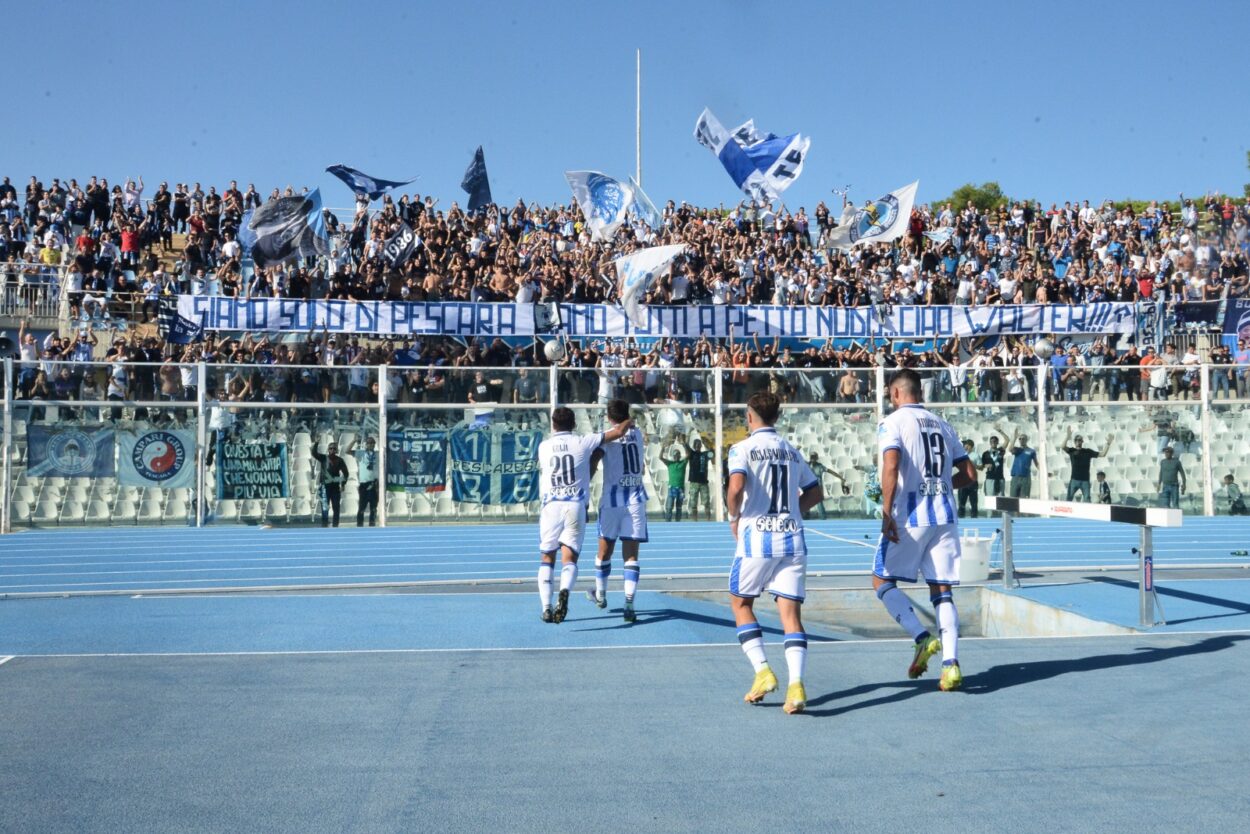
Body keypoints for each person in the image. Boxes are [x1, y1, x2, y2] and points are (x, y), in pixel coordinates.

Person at [873, 369, 977, 692]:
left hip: (911, 515)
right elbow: (970, 474)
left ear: (895, 395)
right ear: (921, 393)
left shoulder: (892, 423)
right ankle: (951, 666)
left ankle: (921, 636)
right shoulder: (943, 424)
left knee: (881, 579)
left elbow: (891, 465)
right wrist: (944, 487)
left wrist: (887, 511)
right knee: (942, 591)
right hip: (944, 516)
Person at [726, 391, 824, 714]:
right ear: (777, 417)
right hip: (793, 539)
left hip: (757, 539)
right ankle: (796, 687)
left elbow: (737, 487)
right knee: (791, 617)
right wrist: (794, 510)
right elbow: (816, 491)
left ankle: (763, 671)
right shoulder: (792, 451)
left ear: (750, 417)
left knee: (741, 603)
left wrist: (733, 517)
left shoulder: (742, 448)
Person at [536, 406, 634, 624]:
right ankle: (565, 592)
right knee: (569, 558)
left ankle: (546, 607)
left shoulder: (543, 447)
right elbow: (618, 432)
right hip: (575, 504)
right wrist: (629, 420)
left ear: (553, 424)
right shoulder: (583, 441)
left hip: (551, 505)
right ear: (573, 424)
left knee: (547, 558)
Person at [586, 399, 647, 622]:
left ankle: (601, 595)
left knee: (604, 550)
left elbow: (594, 460)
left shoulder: (608, 437)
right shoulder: (639, 434)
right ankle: (629, 603)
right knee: (631, 555)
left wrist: (585, 483)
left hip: (612, 499)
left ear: (610, 418)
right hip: (635, 498)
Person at [1061, 429, 1113, 502]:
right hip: (1074, 480)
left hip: (1085, 480)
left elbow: (1102, 454)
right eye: (1076, 440)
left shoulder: (1087, 451)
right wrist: (1068, 436)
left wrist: (1108, 444)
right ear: (1074, 442)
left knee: (1087, 500)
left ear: (1082, 441)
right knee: (1069, 498)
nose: (1078, 442)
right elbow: (1062, 446)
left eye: (1080, 440)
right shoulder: (1072, 451)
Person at [312, 437, 349, 527]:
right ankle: (324, 526)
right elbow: (314, 453)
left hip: (335, 487)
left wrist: (343, 484)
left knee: (336, 508)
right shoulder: (324, 458)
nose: (332, 450)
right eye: (330, 448)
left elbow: (346, 473)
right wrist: (316, 443)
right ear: (328, 450)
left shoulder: (340, 460)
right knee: (325, 508)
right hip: (325, 487)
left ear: (336, 450)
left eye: (334, 448)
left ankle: (335, 526)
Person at [346, 435, 379, 526]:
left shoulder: (378, 454)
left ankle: (372, 525)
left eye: (372, 443)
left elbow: (387, 452)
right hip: (364, 484)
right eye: (369, 443)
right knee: (362, 508)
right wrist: (353, 441)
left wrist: (380, 440)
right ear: (365, 444)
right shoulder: (361, 453)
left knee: (373, 508)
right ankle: (359, 525)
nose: (371, 444)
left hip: (374, 484)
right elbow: (347, 451)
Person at [805, 452, 846, 520]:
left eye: (814, 457)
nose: (812, 459)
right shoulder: (806, 465)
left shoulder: (820, 466)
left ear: (816, 458)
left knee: (819, 504)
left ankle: (823, 519)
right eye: (811, 457)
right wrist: (797, 449)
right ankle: (806, 518)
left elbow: (831, 471)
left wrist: (840, 477)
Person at [685, 436, 714, 521]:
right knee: (693, 503)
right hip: (694, 482)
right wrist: (689, 433)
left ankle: (708, 520)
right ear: (694, 446)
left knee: (706, 503)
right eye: (696, 444)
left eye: (699, 444)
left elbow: (712, 454)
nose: (697, 446)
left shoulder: (705, 454)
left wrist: (708, 444)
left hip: (704, 483)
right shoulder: (692, 454)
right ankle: (695, 521)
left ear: (701, 446)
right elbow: (686, 445)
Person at [660, 439, 689, 522]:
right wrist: (662, 448)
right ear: (673, 456)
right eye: (675, 455)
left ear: (680, 456)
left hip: (680, 489)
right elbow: (660, 457)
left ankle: (677, 522)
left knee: (679, 508)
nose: (676, 456)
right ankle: (668, 522)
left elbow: (688, 454)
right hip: (671, 488)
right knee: (669, 507)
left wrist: (684, 444)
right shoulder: (670, 463)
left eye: (677, 455)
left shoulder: (683, 463)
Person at [1008, 430, 1039, 498]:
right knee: (1013, 498)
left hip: (1025, 477)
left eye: (1023, 439)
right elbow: (1010, 449)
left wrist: (1044, 472)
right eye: (1020, 439)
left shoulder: (1031, 451)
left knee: (1024, 499)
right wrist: (1015, 437)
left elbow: (1037, 464)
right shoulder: (1017, 449)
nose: (1021, 440)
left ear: (1026, 440)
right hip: (1015, 476)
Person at [980, 427, 1008, 497]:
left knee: (1001, 499)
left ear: (997, 442)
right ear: (990, 443)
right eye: (992, 441)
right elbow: (981, 466)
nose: (993, 442)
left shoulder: (1001, 451)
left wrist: (1000, 430)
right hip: (990, 478)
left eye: (995, 441)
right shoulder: (985, 453)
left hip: (1000, 477)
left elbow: (1007, 440)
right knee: (990, 498)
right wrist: (986, 465)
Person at [957, 440, 978, 518]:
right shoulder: (959, 456)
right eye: (965, 445)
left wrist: (974, 465)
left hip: (972, 482)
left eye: (967, 445)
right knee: (961, 502)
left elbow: (980, 466)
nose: (965, 447)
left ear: (971, 447)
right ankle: (961, 519)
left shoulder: (975, 455)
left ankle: (974, 519)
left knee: (974, 502)